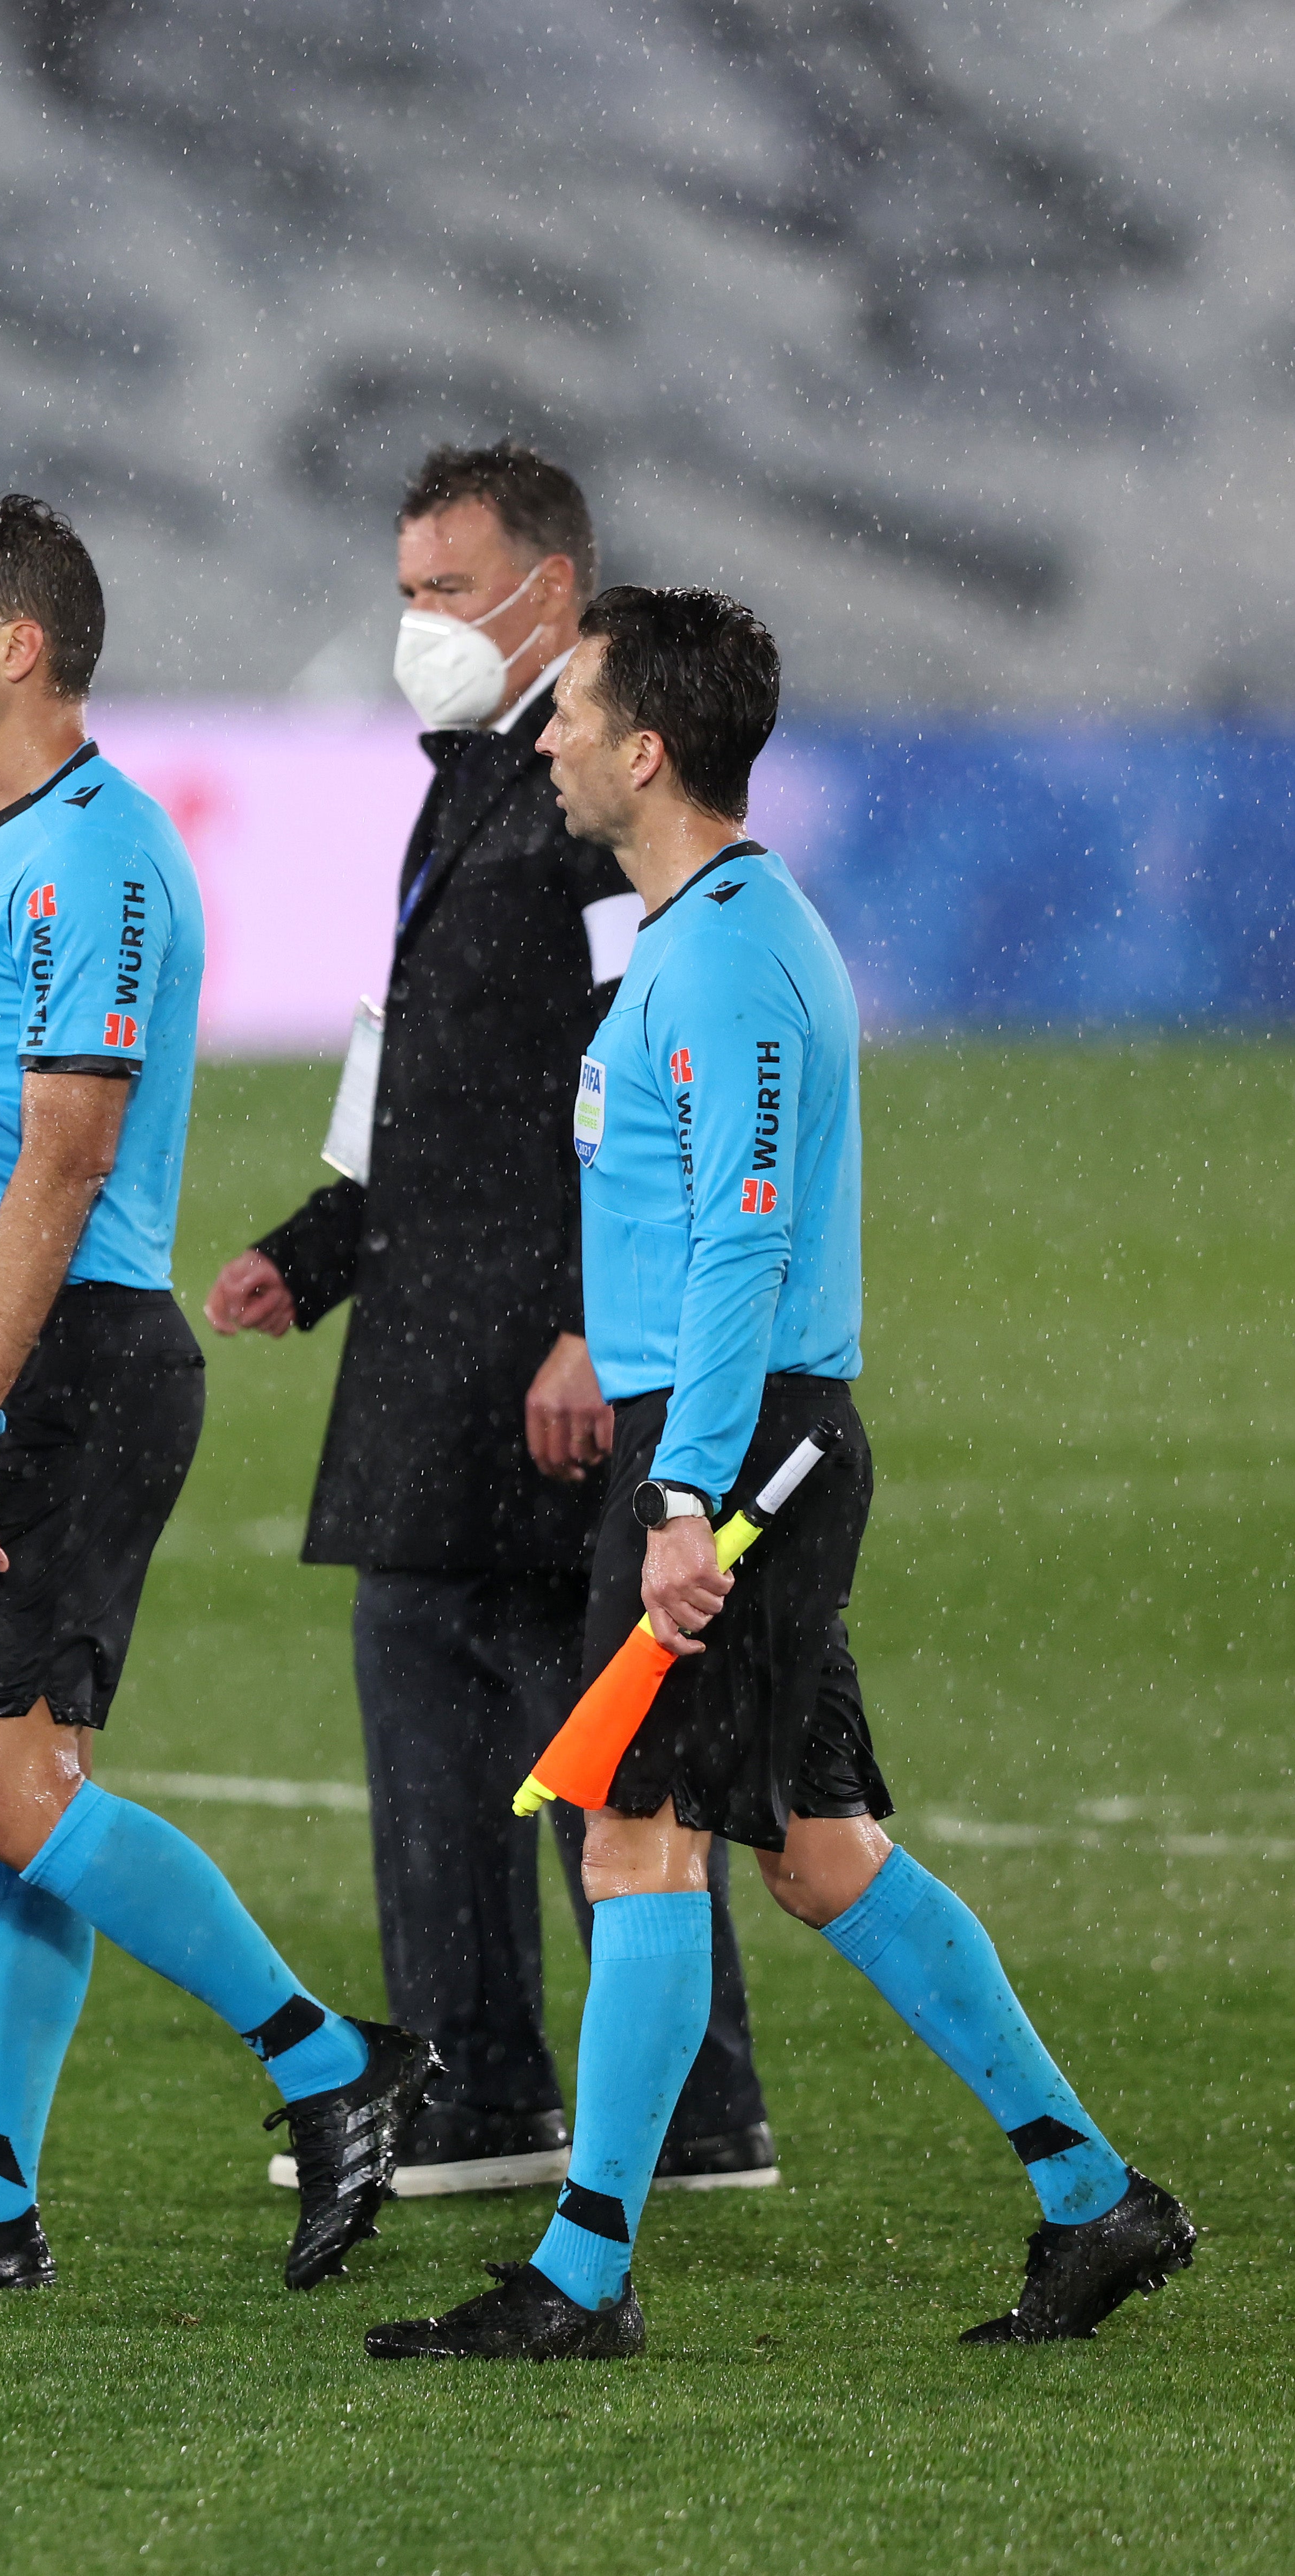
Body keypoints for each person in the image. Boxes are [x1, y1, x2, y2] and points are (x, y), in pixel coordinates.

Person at [366, 589, 1195, 2362]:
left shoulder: (733, 954)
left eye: (574, 712)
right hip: (738, 1439)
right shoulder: (692, 931)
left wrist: (682, 1497)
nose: (550, 738)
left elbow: (742, 1246)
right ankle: (1093, 2196)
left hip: (734, 1458)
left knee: (637, 1838)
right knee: (820, 1856)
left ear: (649, 748)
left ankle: (582, 2279)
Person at [0, 496, 436, 2299]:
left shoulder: (99, 860)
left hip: (72, 1365)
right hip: (10, 1353)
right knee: (31, 1778)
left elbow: (68, 1157)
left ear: (19, 646)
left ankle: (331, 2059)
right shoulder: (10, 854)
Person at [209, 444, 776, 2201]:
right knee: (546, 1698)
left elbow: (642, 1086)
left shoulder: (598, 795)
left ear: (550, 591)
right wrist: (319, 1246)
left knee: (506, 1697)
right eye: (408, 589)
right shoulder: (480, 778)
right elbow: (430, 1080)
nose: (418, 624)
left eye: (447, 590)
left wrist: (595, 1326)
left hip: (531, 1348)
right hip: (448, 1326)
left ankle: (490, 2089)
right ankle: (670, 2103)